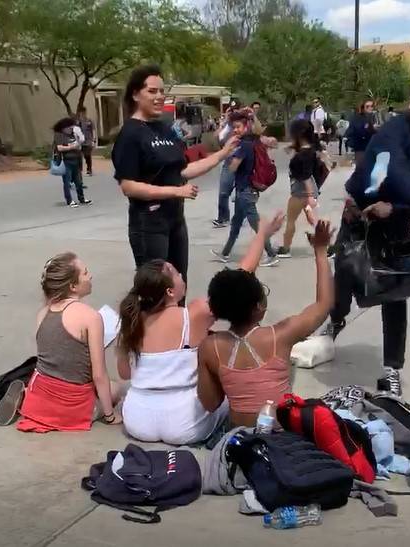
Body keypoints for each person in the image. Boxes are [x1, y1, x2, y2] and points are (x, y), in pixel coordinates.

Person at [324, 69, 410, 397]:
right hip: (359, 219)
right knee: (345, 277)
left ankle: (392, 368)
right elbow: (393, 170)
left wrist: (398, 208)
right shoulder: (391, 132)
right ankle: (334, 322)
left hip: (395, 226)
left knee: (397, 294)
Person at [116, 216, 283, 444]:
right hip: (184, 423)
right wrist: (262, 235)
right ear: (170, 292)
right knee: (226, 381)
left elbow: (125, 374)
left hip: (138, 420)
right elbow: (240, 277)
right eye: (175, 273)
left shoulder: (129, 320)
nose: (181, 275)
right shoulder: (193, 314)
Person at [198, 219, 334, 427]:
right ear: (259, 308)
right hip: (281, 438)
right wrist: (321, 250)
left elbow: (210, 404)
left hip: (239, 441)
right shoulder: (279, 335)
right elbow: (324, 304)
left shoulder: (210, 347)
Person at [112, 65, 237, 283]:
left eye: (162, 91)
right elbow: (128, 186)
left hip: (175, 220)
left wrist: (223, 154)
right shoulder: (130, 133)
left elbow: (182, 171)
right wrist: (176, 192)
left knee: (179, 284)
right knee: (157, 292)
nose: (159, 97)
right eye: (152, 91)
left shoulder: (164, 129)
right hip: (149, 223)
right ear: (135, 94)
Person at [0, 252, 123, 431]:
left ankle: (26, 397)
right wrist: (109, 415)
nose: (91, 276)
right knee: (115, 389)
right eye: (85, 273)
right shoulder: (90, 317)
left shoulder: (43, 313)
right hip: (72, 406)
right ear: (72, 286)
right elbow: (99, 375)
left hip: (40, 397)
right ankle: (83, 412)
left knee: (47, 379)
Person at [211, 109, 279, 267]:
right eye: (234, 127)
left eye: (238, 127)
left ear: (246, 126)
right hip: (245, 190)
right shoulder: (253, 142)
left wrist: (229, 154)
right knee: (235, 223)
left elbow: (234, 167)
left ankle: (271, 253)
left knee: (256, 225)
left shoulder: (243, 145)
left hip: (246, 191)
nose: (235, 130)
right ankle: (225, 253)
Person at [276, 119, 319, 259]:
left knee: (291, 220)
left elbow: (305, 176)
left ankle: (286, 248)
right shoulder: (309, 149)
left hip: (301, 191)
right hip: (308, 190)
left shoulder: (303, 155)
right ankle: (327, 247)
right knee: (312, 219)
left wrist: (310, 196)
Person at [53, 117, 92, 208]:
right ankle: (69, 200)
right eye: (69, 128)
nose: (71, 129)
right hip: (66, 161)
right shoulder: (59, 135)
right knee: (67, 182)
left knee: (79, 182)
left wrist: (77, 144)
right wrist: (71, 147)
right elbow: (59, 148)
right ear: (64, 128)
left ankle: (81, 198)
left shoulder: (73, 134)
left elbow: (79, 143)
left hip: (76, 159)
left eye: (72, 128)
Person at [346, 100, 376, 165]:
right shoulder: (358, 118)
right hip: (361, 147)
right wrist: (367, 127)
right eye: (367, 106)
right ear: (363, 108)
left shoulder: (373, 117)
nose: (370, 108)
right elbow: (358, 131)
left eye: (372, 106)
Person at [77, 107, 96, 176]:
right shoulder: (78, 122)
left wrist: (93, 140)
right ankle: (79, 170)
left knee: (87, 155)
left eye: (84, 112)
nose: (82, 114)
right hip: (80, 141)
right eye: (81, 113)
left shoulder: (89, 121)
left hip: (88, 141)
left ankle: (89, 169)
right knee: (79, 156)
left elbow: (93, 130)